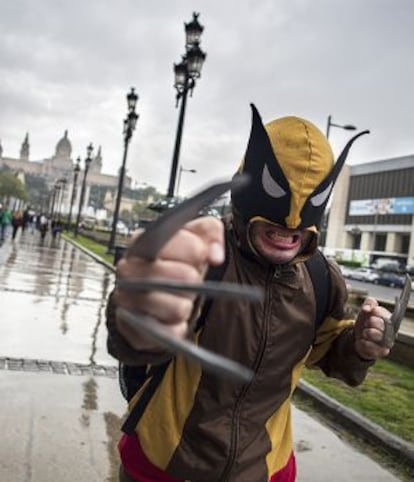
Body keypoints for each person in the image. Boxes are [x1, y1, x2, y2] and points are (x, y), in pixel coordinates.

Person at [106, 104, 393, 482]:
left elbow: (325, 350)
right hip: (167, 464)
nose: (288, 227)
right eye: (272, 220)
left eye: (298, 224)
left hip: (265, 469)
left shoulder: (322, 277)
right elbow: (138, 339)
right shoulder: (203, 255)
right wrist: (143, 301)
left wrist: (360, 344)